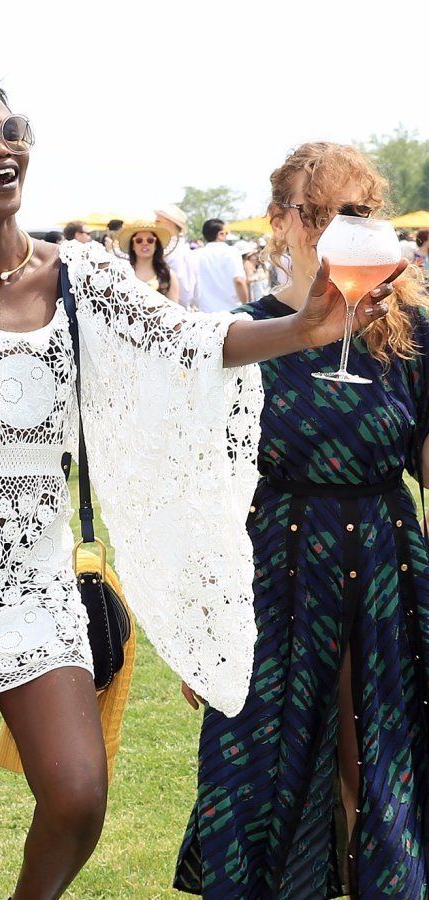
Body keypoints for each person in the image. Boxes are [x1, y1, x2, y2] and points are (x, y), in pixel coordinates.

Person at [0, 69, 394, 899]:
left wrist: (303, 328)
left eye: (11, 129)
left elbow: (190, 343)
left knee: (77, 796)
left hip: (33, 571)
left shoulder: (84, 277)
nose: (3, 148)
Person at [175, 142, 427, 899]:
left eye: (354, 213)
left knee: (385, 762)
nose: (334, 231)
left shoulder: (411, 334)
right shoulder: (244, 337)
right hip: (275, 573)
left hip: (389, 567)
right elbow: (204, 490)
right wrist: (200, 625)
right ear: (280, 222)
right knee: (263, 772)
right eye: (315, 214)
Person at [194, 218, 248, 311]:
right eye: (226, 232)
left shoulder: (196, 254)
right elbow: (239, 281)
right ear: (220, 234)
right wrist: (246, 305)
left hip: (206, 312)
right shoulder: (232, 251)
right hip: (232, 311)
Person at [117, 220, 179, 301]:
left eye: (150, 240)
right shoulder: (123, 273)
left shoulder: (168, 276)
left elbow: (175, 309)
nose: (145, 243)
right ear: (132, 246)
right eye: (139, 240)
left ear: (156, 245)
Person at [156, 204, 199, 307]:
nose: (154, 225)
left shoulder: (178, 251)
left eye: (158, 222)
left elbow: (184, 289)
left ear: (170, 224)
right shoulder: (172, 249)